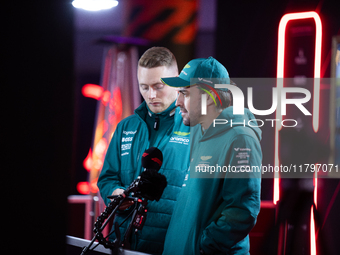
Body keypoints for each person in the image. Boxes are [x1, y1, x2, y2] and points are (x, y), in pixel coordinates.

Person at [161, 57, 262, 255]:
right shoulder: (199, 130)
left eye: (184, 93)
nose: (177, 102)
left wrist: (203, 247)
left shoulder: (241, 138)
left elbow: (243, 210)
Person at [97, 47, 191, 254]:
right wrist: (116, 194)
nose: (151, 95)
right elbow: (107, 178)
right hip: (123, 242)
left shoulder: (194, 127)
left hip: (171, 245)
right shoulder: (125, 127)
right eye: (144, 87)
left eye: (159, 86)